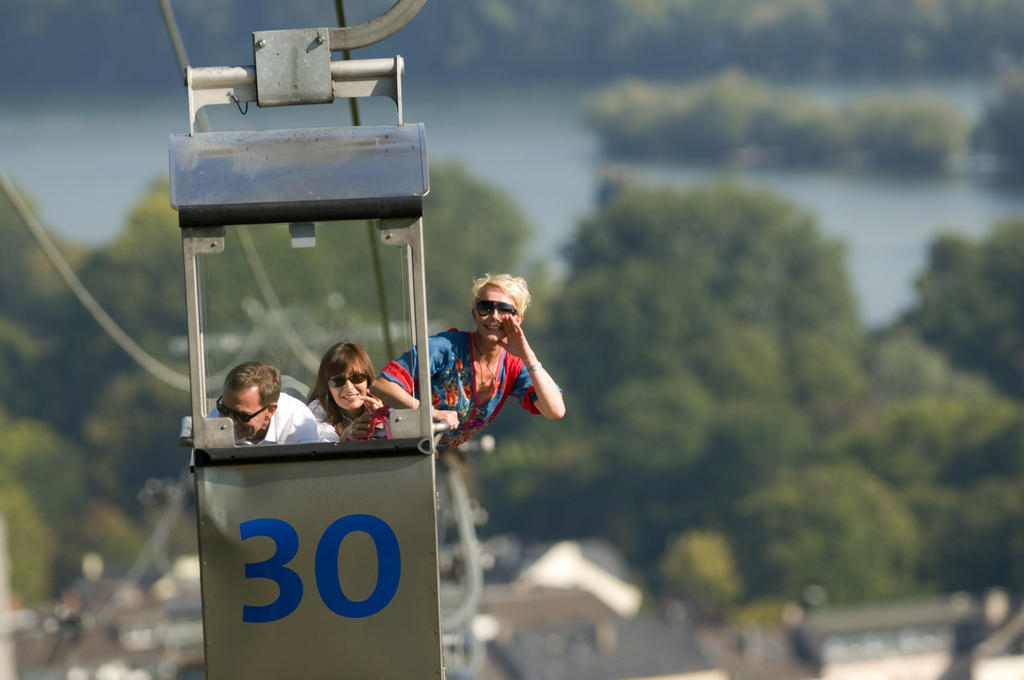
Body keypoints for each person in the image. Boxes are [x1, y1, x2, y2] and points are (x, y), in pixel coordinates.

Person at [371, 273, 565, 450]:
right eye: (485, 307)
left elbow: (555, 410)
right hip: (384, 441)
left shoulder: (514, 365)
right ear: (474, 314)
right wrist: (431, 412)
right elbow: (382, 385)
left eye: (504, 309)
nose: (494, 316)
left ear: (518, 319)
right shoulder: (445, 347)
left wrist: (527, 355)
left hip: (420, 453)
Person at [212, 360, 318, 445]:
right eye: (223, 409)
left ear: (270, 411)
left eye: (242, 415)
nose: (230, 421)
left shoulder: (298, 423)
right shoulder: (214, 420)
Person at [307, 341, 390, 442]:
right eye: (338, 381)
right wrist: (345, 438)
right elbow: (327, 450)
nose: (349, 388)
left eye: (357, 377)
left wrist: (382, 423)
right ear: (327, 386)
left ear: (368, 380)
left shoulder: (387, 404)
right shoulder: (318, 409)